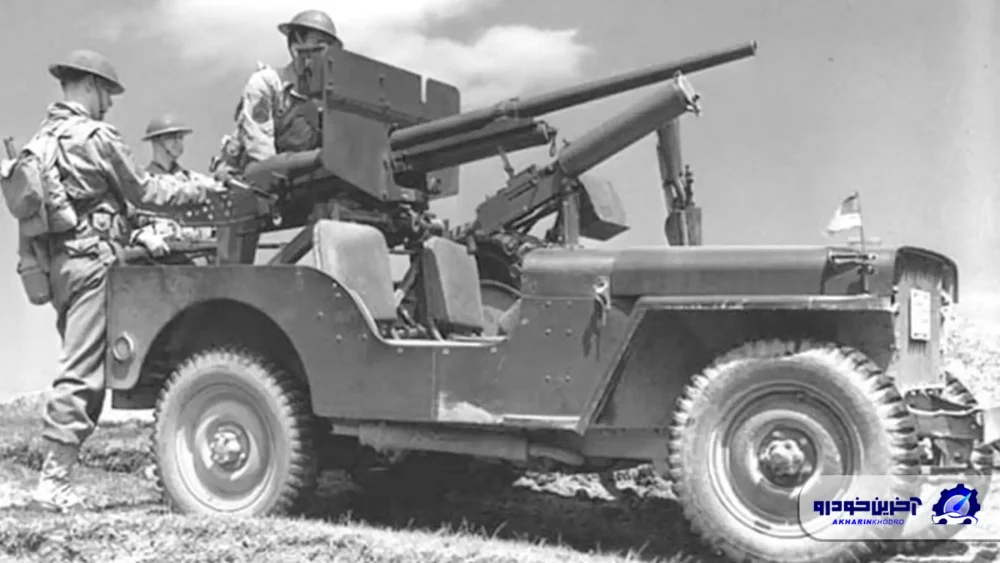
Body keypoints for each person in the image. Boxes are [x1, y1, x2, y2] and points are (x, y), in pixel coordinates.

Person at [26, 49, 226, 512]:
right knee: (82, 371)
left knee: (82, 362)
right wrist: (203, 189)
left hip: (60, 267)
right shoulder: (94, 137)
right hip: (92, 262)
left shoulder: (43, 139)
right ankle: (53, 482)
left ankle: (58, 477)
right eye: (107, 93)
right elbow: (144, 191)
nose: (111, 103)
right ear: (90, 86)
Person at [209, 9, 343, 264]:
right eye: (306, 50)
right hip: (249, 186)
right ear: (293, 48)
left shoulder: (333, 94)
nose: (313, 58)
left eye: (321, 49)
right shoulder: (266, 85)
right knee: (231, 273)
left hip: (302, 180)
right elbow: (262, 159)